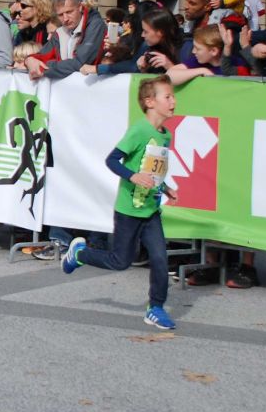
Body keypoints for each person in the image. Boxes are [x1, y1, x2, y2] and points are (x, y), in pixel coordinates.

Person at [60, 74, 178, 331]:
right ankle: (80, 253)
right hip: (128, 210)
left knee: (160, 258)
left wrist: (165, 187)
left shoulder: (165, 135)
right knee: (120, 261)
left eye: (173, 96)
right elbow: (112, 160)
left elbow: (154, 170)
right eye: (167, 96)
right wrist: (133, 175)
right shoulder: (139, 130)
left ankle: (155, 308)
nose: (173, 101)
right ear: (150, 101)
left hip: (151, 210)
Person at [24, 0, 105, 79]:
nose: (65, 18)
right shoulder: (60, 32)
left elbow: (81, 62)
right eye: (60, 15)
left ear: (80, 7)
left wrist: (45, 67)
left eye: (69, 12)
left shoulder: (96, 25)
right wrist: (29, 60)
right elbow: (42, 55)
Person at [167, 24, 249, 85]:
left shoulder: (236, 64)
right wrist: (202, 71)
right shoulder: (197, 61)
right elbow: (169, 76)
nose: (193, 51)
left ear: (213, 51)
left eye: (197, 48)